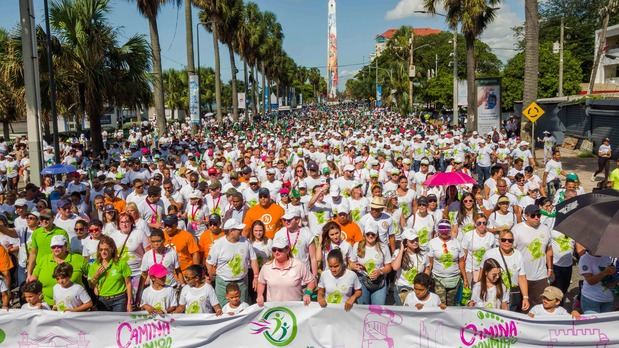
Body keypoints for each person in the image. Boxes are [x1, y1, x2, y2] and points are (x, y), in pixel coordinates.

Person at [206, 219, 258, 305]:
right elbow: (209, 263)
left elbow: (253, 259)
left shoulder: (246, 242)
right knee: (223, 310)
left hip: (241, 283)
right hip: (223, 284)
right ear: (231, 231)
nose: (241, 231)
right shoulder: (218, 244)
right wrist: (211, 276)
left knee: (242, 308)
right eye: (238, 229)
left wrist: (256, 276)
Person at [512, 204, 552, 308]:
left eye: (539, 215)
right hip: (522, 275)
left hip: (541, 275)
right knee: (522, 306)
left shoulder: (545, 229)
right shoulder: (517, 229)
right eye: (533, 215)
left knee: (540, 306)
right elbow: (511, 251)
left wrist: (550, 268)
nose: (537, 217)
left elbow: (549, 250)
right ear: (526, 216)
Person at [256, 238, 316, 306]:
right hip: (273, 309)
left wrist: (307, 293)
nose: (276, 252)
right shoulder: (266, 267)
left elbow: (311, 281)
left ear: (287, 250)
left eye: (280, 249)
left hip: (295, 309)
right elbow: (261, 282)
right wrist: (260, 295)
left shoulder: (299, 265)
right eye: (274, 249)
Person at [32, 235, 88, 306]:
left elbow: (91, 275)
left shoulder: (78, 258)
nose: (56, 249)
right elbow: (34, 277)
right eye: (53, 247)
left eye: (59, 246)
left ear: (66, 246)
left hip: (74, 305)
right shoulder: (44, 259)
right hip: (47, 304)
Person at [483, 230, 530, 312]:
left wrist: (525, 297)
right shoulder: (490, 254)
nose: (507, 242)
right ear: (499, 240)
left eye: (510, 240)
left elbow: (521, 277)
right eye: (504, 240)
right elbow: (483, 274)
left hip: (512, 295)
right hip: (495, 294)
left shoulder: (518, 254)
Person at [427, 219, 467, 306]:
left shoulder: (457, 242)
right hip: (438, 279)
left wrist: (465, 278)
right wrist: (427, 278)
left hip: (454, 279)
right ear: (438, 230)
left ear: (450, 230)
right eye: (441, 230)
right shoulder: (432, 243)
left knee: (451, 304)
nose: (444, 232)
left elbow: (461, 262)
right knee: (441, 304)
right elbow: (429, 263)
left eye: (446, 230)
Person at [87, 235, 132, 312]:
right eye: (101, 250)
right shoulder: (95, 265)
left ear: (112, 249)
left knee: (118, 323)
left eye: (106, 249)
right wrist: (96, 276)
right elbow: (91, 286)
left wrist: (129, 303)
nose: (103, 252)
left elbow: (128, 284)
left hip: (119, 300)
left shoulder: (121, 263)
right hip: (102, 300)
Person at [350, 228, 393, 305]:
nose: (370, 236)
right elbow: (351, 263)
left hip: (379, 282)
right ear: (364, 234)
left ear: (377, 234)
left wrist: (380, 272)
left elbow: (389, 267)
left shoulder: (383, 247)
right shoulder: (357, 245)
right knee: (363, 310)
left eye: (373, 234)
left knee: (377, 311)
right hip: (362, 280)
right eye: (368, 234)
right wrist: (354, 266)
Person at [27, 209, 70, 282]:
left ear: (53, 218)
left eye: (47, 218)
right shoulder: (36, 233)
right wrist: (29, 273)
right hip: (41, 269)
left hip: (59, 269)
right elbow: (33, 254)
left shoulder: (62, 232)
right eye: (42, 219)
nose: (44, 221)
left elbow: (67, 252)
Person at [391, 229, 429, 305]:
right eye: (412, 240)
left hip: (418, 288)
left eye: (416, 240)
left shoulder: (423, 253)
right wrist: (401, 250)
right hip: (402, 288)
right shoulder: (398, 252)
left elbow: (427, 268)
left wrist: (424, 284)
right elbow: (395, 267)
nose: (415, 242)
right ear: (405, 242)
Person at [462, 214, 496, 285]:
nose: (482, 225)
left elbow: (493, 255)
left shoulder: (491, 236)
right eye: (479, 223)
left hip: (486, 270)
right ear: (475, 224)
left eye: (484, 223)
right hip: (470, 269)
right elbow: (463, 255)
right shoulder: (468, 235)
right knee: (470, 293)